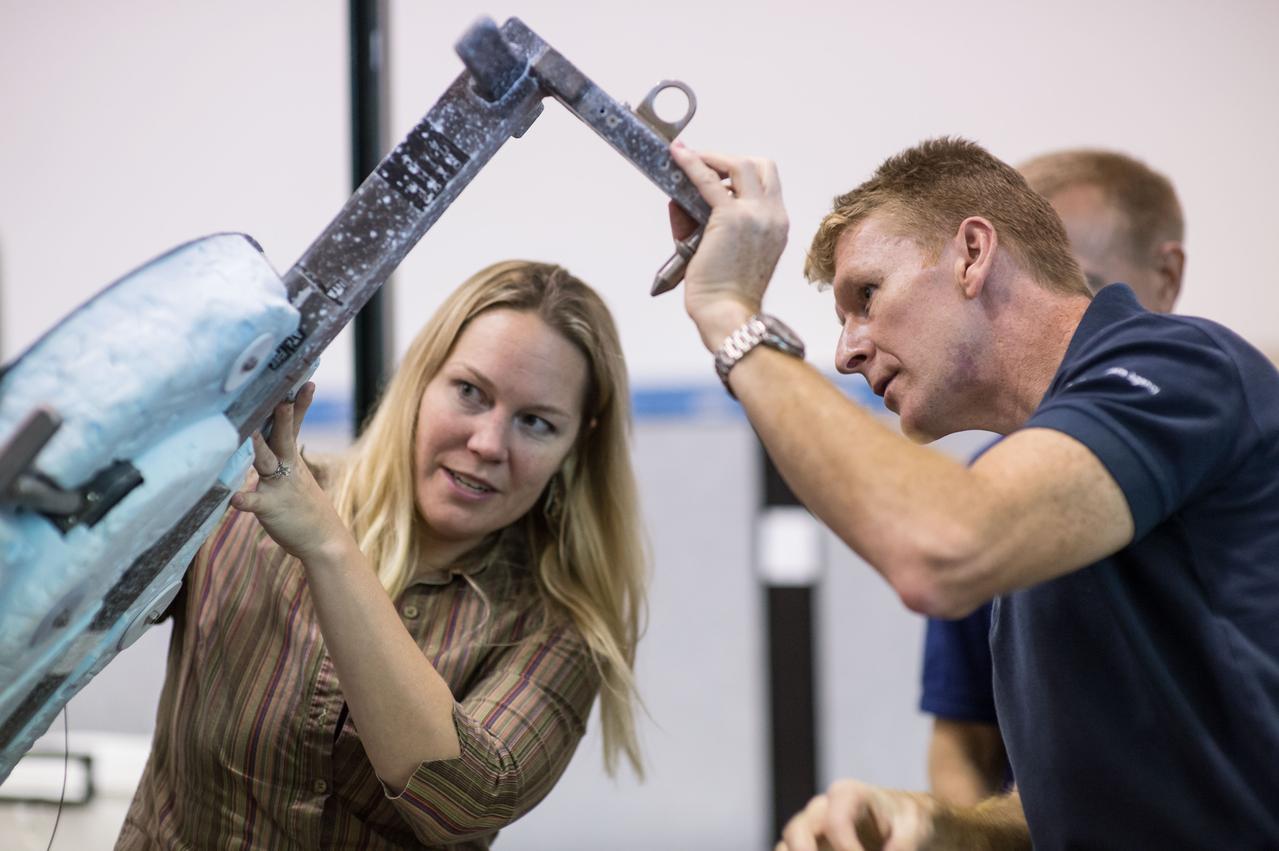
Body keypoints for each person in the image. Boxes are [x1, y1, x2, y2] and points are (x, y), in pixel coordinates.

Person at [666, 137, 1279, 849]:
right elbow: (1089, 813)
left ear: (971, 253)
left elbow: (939, 546)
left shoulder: (1178, 364)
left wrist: (729, 313)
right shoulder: (1027, 490)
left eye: (865, 295)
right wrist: (938, 825)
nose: (846, 350)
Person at [116, 260, 647, 850]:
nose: (489, 443)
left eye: (537, 423)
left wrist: (328, 548)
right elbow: (91, 589)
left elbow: (468, 802)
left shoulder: (562, 625)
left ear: (577, 444)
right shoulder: (249, 500)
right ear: (421, 378)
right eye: (471, 393)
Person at [921, 148, 1188, 806]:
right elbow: (962, 741)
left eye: (1085, 292)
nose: (1055, 331)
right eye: (1021, 297)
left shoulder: (1230, 428)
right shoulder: (985, 492)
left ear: (1166, 273)